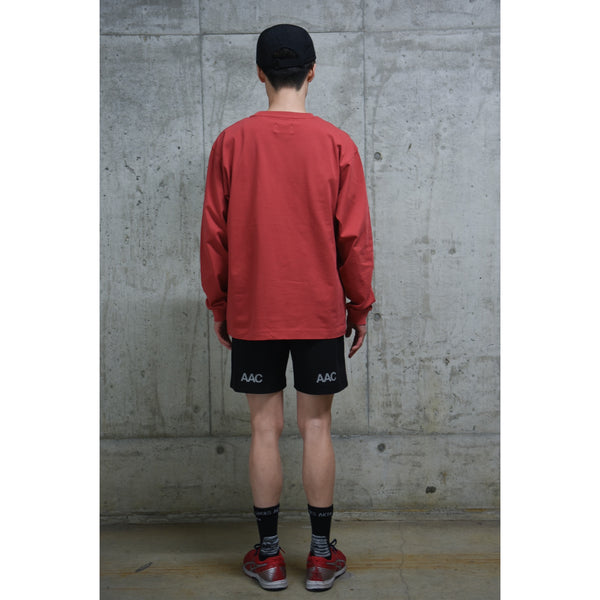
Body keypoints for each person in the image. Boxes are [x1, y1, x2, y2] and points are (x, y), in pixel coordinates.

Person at [200, 23, 375, 592]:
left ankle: (270, 556)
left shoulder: (231, 142)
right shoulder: (336, 143)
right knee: (316, 425)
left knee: (264, 428)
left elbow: (214, 236)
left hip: (255, 309)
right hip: (318, 308)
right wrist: (359, 306)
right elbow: (354, 238)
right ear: (312, 71)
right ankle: (321, 557)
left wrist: (221, 304)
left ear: (259, 73)